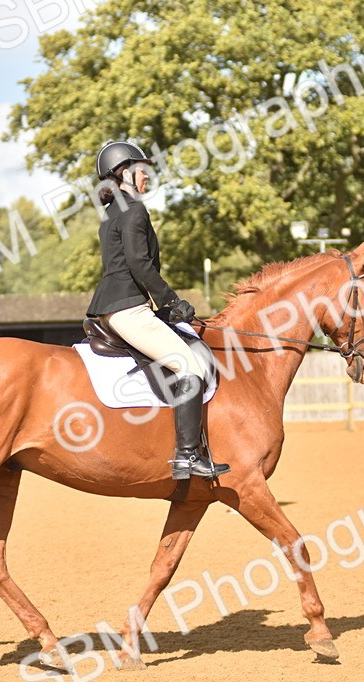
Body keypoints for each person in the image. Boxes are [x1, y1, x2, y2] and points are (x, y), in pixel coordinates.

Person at [87, 140, 228, 480]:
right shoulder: (134, 210)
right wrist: (171, 300)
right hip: (127, 309)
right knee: (190, 365)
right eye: (143, 170)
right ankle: (187, 457)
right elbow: (139, 265)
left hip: (114, 305)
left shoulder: (111, 213)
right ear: (124, 172)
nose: (148, 176)